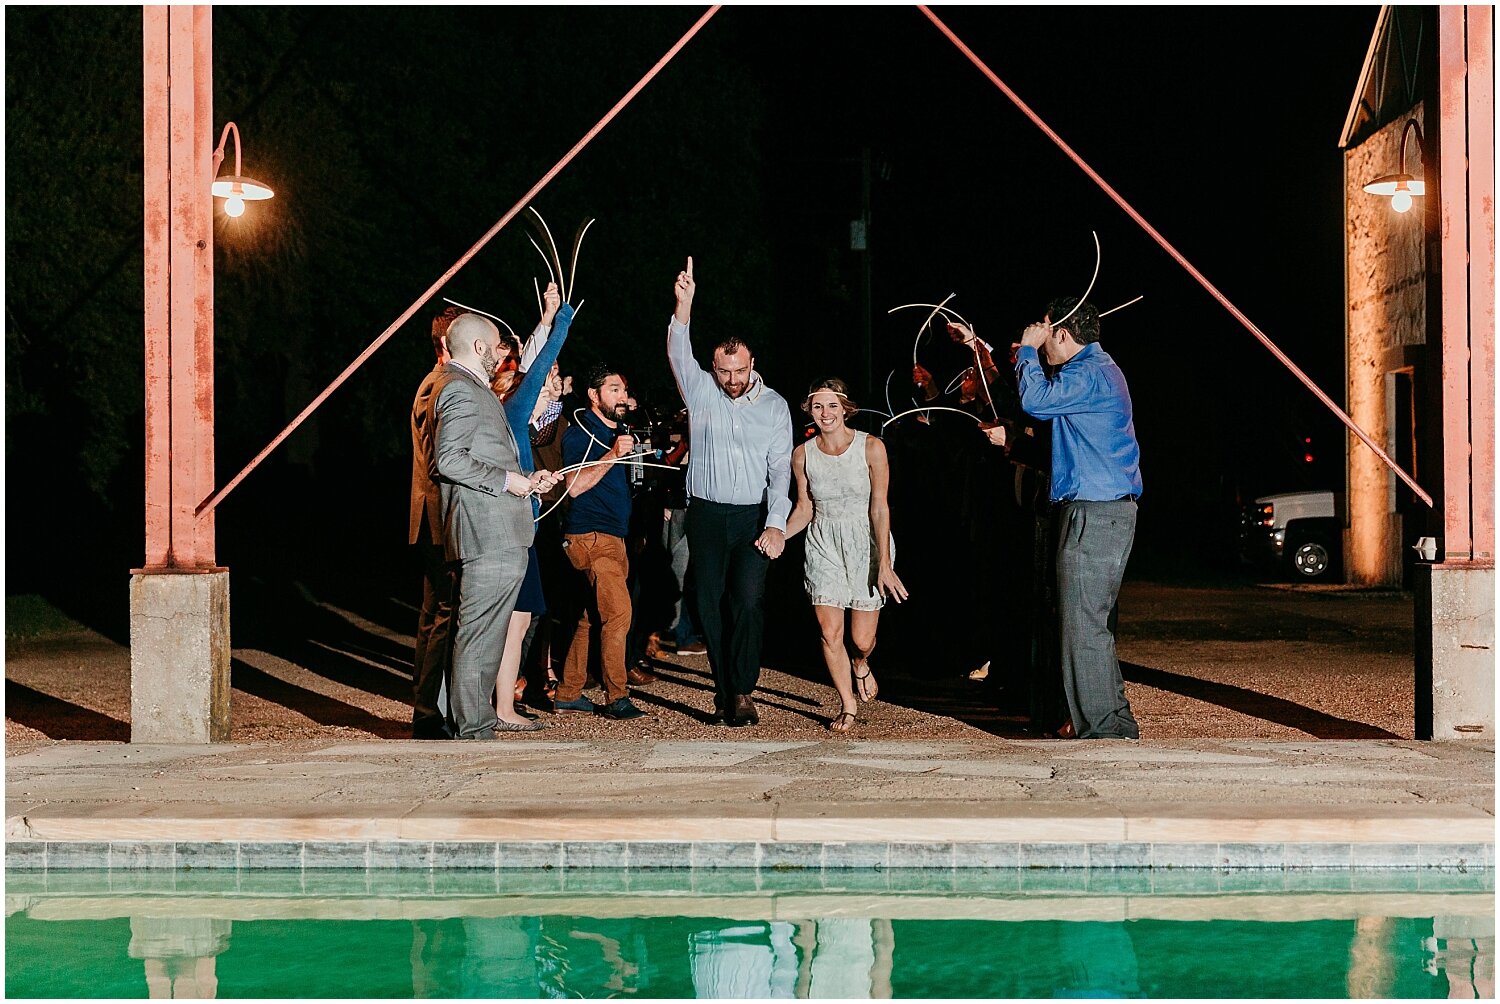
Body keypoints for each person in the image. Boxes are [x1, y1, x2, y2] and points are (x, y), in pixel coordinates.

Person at [667, 257, 793, 727]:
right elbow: (680, 354)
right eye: (724, 371)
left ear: (752, 364)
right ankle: (725, 691)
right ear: (714, 368)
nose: (732, 380)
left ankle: (742, 688)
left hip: (752, 517)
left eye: (739, 371)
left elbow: (780, 470)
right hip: (705, 513)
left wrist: (777, 523)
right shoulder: (700, 394)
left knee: (748, 601)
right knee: (708, 602)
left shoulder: (775, 406)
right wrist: (685, 307)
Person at [1015, 297, 1142, 740]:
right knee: (1091, 623)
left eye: (1047, 331)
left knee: (1081, 625)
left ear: (1064, 334)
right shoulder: (1094, 373)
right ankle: (1114, 721)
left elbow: (1034, 399)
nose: (1041, 338)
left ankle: (1104, 728)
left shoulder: (1087, 372)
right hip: (1101, 508)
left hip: (1095, 509)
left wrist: (1027, 352)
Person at [429, 312, 561, 738]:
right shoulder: (460, 390)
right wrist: (508, 481)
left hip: (498, 527)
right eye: (499, 345)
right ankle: (471, 730)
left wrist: (526, 482)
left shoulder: (472, 389)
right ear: (480, 347)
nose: (504, 352)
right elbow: (447, 460)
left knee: (484, 635)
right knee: (478, 636)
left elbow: (487, 457)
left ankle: (472, 723)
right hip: (486, 533)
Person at [782, 379, 907, 731]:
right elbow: (805, 508)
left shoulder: (871, 447)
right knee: (829, 631)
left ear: (845, 408)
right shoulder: (802, 454)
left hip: (866, 541)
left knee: (861, 639)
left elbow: (880, 506)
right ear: (809, 409)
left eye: (832, 406)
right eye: (818, 406)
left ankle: (860, 663)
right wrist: (778, 534)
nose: (825, 413)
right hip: (824, 542)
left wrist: (884, 562)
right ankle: (847, 704)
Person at [552, 363, 651, 721]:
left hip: (615, 535)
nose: (621, 396)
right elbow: (575, 486)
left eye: (623, 390)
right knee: (619, 614)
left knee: (590, 616)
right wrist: (612, 455)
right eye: (613, 390)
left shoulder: (619, 429)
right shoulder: (583, 433)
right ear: (594, 396)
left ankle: (568, 692)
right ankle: (616, 697)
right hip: (590, 536)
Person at [495, 283, 574, 711]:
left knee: (522, 618)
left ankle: (504, 704)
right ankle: (499, 706)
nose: (545, 389)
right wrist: (560, 321)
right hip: (511, 530)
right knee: (511, 620)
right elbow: (539, 365)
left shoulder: (511, 422)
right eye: (535, 388)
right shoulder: (512, 409)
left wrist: (533, 478)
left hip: (527, 521)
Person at [409, 308, 459, 739]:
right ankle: (429, 713)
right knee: (442, 614)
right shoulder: (439, 386)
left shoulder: (439, 384)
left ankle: (429, 710)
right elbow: (443, 456)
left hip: (434, 516)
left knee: (436, 614)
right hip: (439, 517)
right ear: (448, 344)